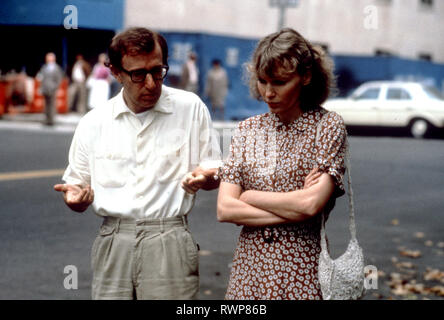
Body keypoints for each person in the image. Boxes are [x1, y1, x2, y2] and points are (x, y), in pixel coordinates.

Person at [54, 27, 222, 300]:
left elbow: (213, 168)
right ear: (115, 72)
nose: (151, 83)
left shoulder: (190, 108)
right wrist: (76, 198)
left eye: (158, 71)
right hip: (113, 239)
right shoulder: (94, 122)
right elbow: (76, 185)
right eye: (137, 74)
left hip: (169, 238)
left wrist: (209, 178)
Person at [217, 28, 347, 300]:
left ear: (306, 77)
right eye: (262, 81)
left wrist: (250, 196)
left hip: (301, 270)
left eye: (279, 82)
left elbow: (310, 205)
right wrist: (295, 208)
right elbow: (226, 208)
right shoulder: (246, 130)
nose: (268, 92)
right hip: (248, 272)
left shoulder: (327, 126)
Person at [37, 52, 64, 125]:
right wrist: (41, 88)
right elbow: (42, 78)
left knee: (52, 105)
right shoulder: (44, 67)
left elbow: (59, 79)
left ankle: (51, 120)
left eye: (49, 58)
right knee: (46, 105)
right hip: (45, 88)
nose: (48, 59)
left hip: (52, 89)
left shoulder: (56, 68)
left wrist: (55, 87)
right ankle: (47, 119)